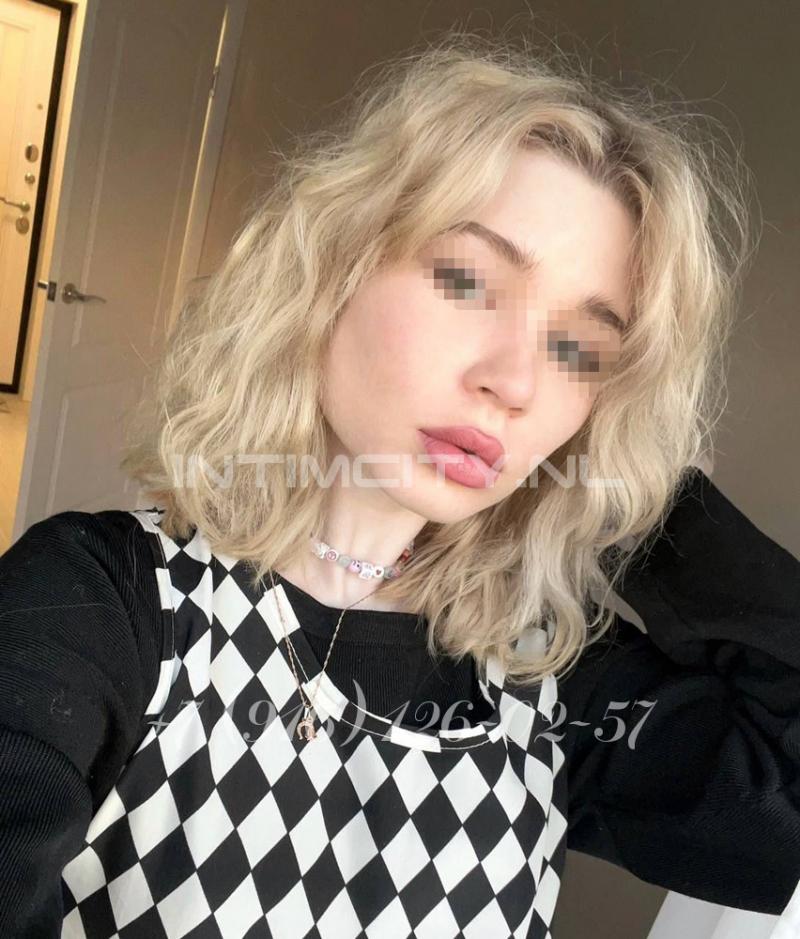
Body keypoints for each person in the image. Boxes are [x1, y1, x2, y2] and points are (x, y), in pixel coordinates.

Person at [1, 30, 798, 939]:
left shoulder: (546, 666)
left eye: (580, 349)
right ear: (332, 270)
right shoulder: (104, 604)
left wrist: (629, 483)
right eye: (467, 281)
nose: (516, 382)